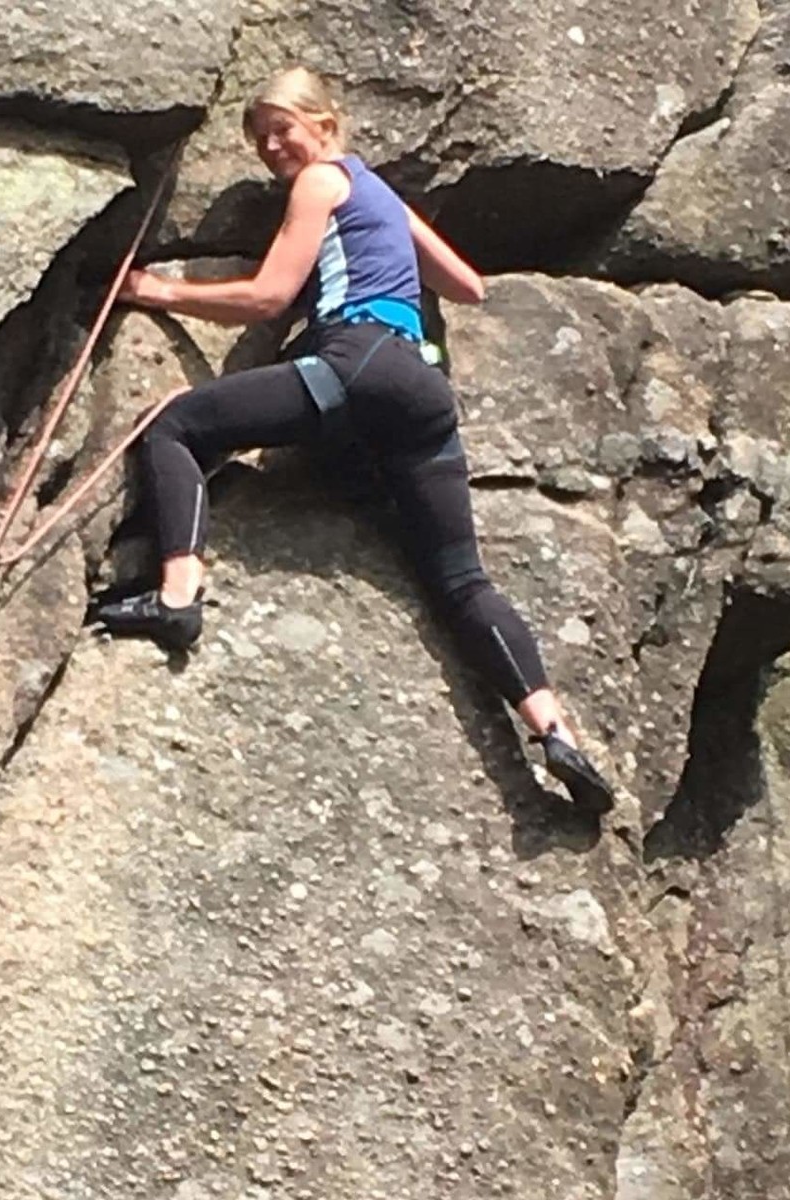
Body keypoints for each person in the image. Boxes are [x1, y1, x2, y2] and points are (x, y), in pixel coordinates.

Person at [94, 66, 614, 814]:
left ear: (325, 123)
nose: (272, 147)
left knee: (175, 425)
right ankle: (554, 732)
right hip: (421, 393)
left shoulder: (321, 182)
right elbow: (468, 286)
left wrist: (158, 290)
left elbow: (269, 295)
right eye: (259, 138)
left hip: (355, 359)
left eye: (283, 129)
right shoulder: (381, 196)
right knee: (462, 582)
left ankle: (177, 596)